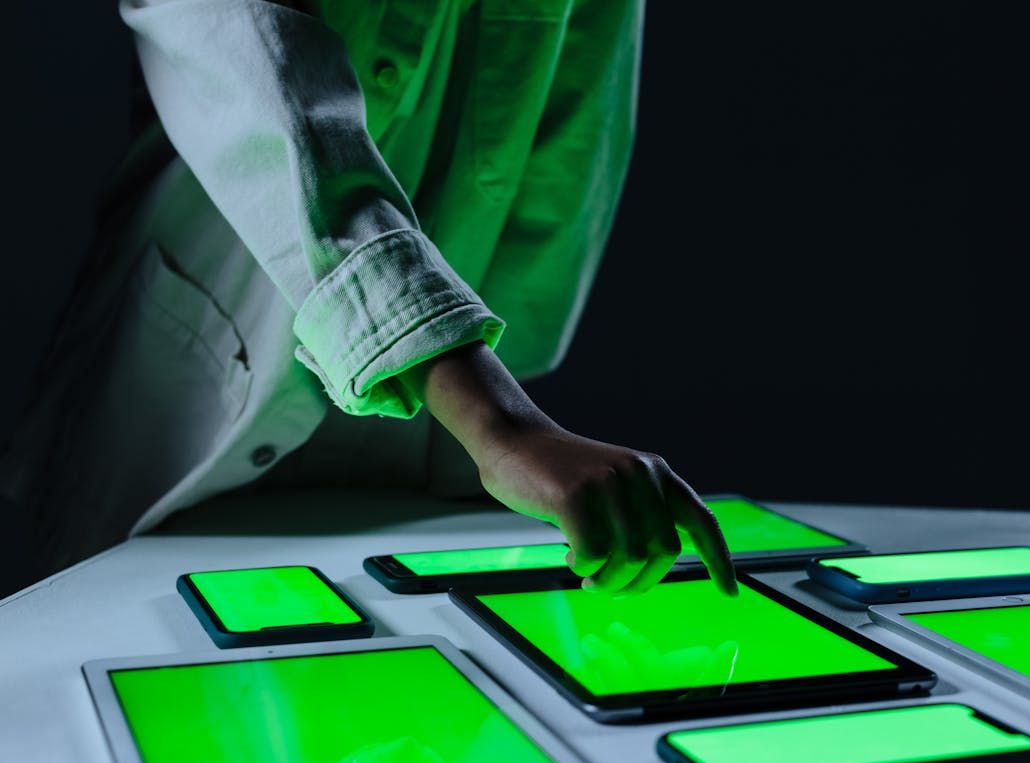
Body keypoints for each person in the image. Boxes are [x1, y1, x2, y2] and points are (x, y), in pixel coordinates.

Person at [0, 0, 737, 597]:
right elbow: (250, 71)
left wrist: (500, 422)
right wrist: (500, 423)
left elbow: (564, 156)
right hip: (186, 407)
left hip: (435, 456)